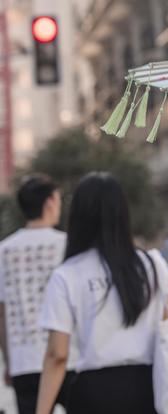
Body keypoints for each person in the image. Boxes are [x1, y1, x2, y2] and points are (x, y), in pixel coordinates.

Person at [35, 172, 168, 414]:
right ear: (122, 213)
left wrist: (42, 411)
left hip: (93, 393)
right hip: (149, 387)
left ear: (78, 216)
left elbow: (57, 355)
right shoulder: (152, 264)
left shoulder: (67, 274)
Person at [0, 174, 78, 414]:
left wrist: (9, 360)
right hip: (71, 354)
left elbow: (2, 313)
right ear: (50, 202)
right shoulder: (69, 245)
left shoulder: (4, 251)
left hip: (24, 359)